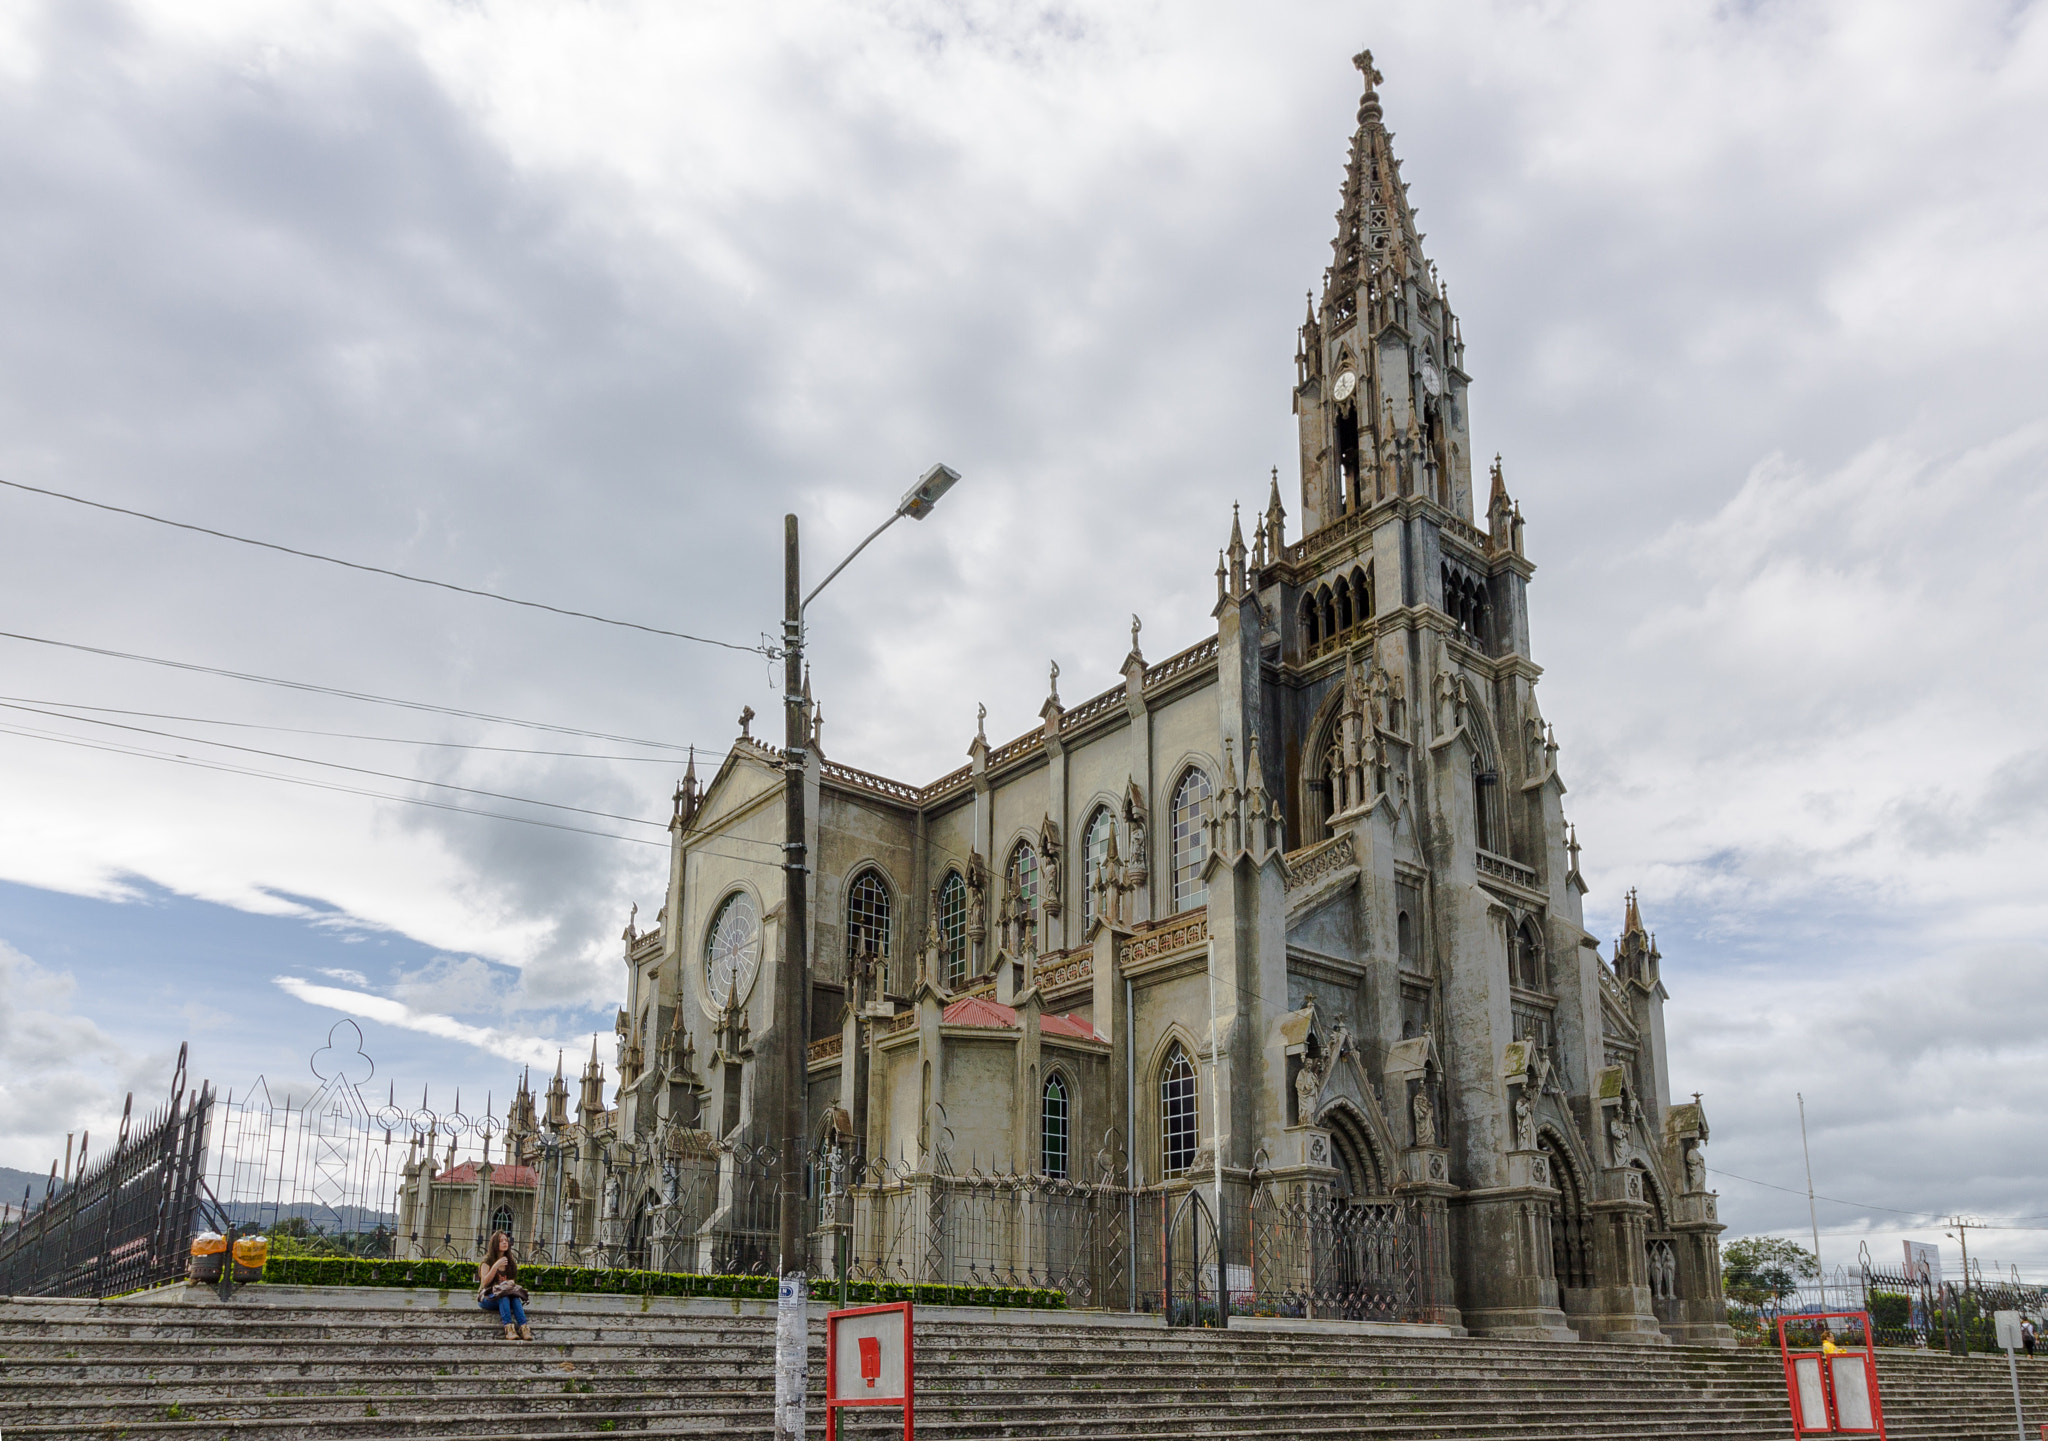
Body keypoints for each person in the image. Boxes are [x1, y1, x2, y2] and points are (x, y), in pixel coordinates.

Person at [477, 1230, 531, 1341]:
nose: (504, 1243)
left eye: (506, 1240)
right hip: (487, 1297)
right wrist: (495, 1266)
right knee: (503, 1296)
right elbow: (484, 1283)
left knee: (514, 1297)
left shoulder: (510, 1262)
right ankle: (509, 1329)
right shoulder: (487, 1261)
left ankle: (524, 1328)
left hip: (505, 1296)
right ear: (495, 1243)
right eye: (501, 1241)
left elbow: (512, 1282)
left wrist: (511, 1282)